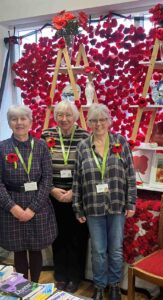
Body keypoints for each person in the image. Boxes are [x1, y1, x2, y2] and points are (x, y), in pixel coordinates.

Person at [72, 103, 137, 300]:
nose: (98, 124)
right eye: (94, 120)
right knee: (98, 250)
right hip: (92, 207)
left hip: (117, 205)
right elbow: (77, 179)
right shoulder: (83, 146)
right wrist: (77, 207)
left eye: (102, 120)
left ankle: (115, 285)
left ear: (109, 121)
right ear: (89, 123)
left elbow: (130, 175)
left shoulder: (120, 142)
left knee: (115, 249)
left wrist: (131, 202)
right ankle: (100, 286)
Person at [0, 104, 57, 282]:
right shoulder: (2, 148)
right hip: (12, 203)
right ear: (9, 123)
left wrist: (32, 208)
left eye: (23, 118)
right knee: (18, 248)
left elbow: (47, 179)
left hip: (37, 204)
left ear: (30, 122)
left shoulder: (41, 146)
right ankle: (23, 286)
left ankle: (35, 285)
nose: (19, 123)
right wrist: (13, 208)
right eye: (14, 119)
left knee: (35, 247)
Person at [41, 100, 89, 293]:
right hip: (54, 195)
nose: (64, 119)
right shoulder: (47, 135)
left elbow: (89, 169)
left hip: (77, 196)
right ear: (55, 117)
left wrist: (75, 192)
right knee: (58, 236)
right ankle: (60, 275)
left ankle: (75, 277)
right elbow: (41, 166)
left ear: (75, 117)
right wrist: (51, 189)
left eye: (68, 115)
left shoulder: (85, 137)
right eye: (60, 115)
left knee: (77, 238)